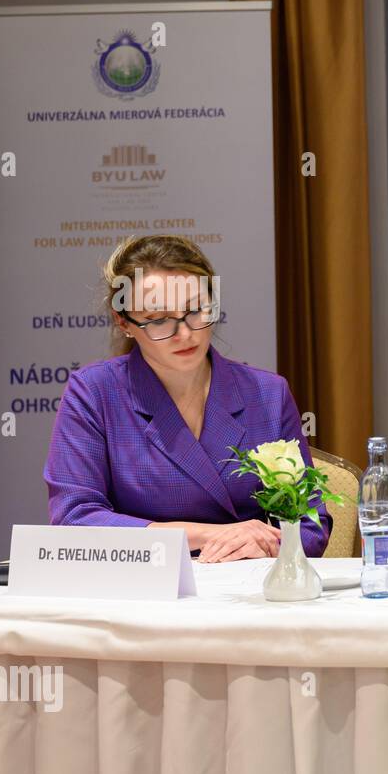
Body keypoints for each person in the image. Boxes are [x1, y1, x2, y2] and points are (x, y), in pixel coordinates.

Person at [45, 235, 331, 562]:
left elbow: (310, 524)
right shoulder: (94, 392)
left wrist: (265, 544)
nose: (185, 333)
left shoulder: (266, 394)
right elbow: (74, 519)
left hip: (243, 590)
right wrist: (213, 534)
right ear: (123, 321)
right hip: (142, 592)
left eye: (196, 310)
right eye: (159, 320)